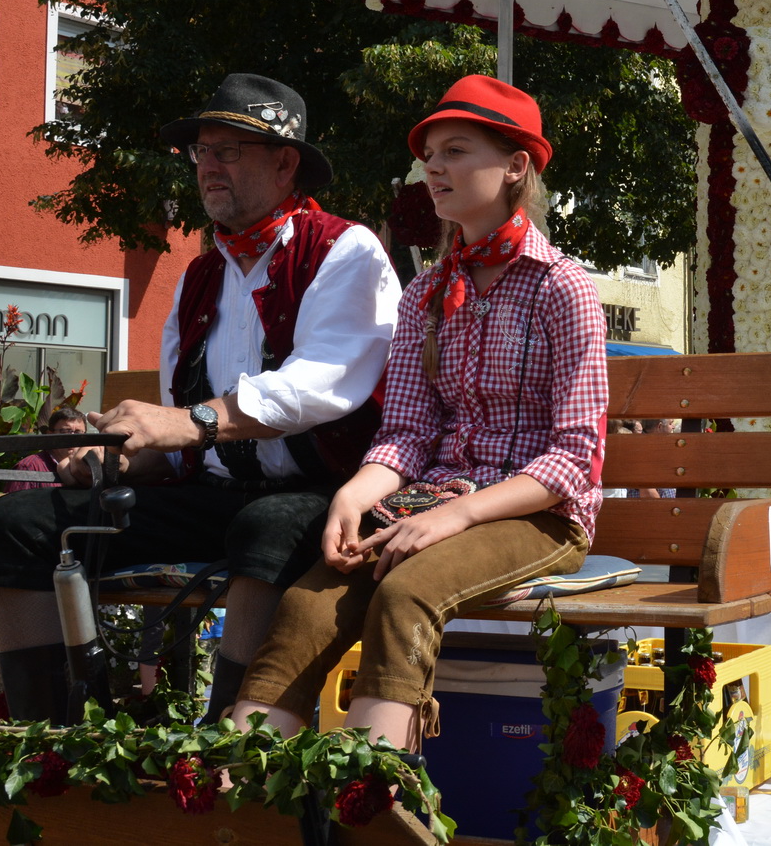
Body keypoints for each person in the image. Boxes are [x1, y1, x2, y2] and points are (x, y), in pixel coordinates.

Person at [0, 73, 401, 722]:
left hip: (334, 498)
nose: (208, 166)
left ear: (286, 164)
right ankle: (49, 738)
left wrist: (187, 420)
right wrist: (116, 457)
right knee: (12, 528)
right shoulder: (200, 276)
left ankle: (228, 740)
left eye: (229, 150)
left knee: (264, 525)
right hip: (216, 498)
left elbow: (321, 385)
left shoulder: (345, 250)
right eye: (203, 151)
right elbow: (178, 451)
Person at [230, 75, 604, 752]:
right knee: (303, 606)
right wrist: (353, 494)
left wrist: (452, 515)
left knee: (406, 596)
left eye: (456, 150)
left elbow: (574, 458)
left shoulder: (562, 286)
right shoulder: (427, 292)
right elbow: (406, 432)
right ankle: (236, 798)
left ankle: (368, 798)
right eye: (429, 153)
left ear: (516, 165)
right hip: (431, 503)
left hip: (538, 513)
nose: (433, 167)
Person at [6, 406, 98, 494]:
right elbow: (14, 505)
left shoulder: (90, 466)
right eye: (65, 431)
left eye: (78, 432)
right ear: (50, 435)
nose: (72, 437)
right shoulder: (28, 467)